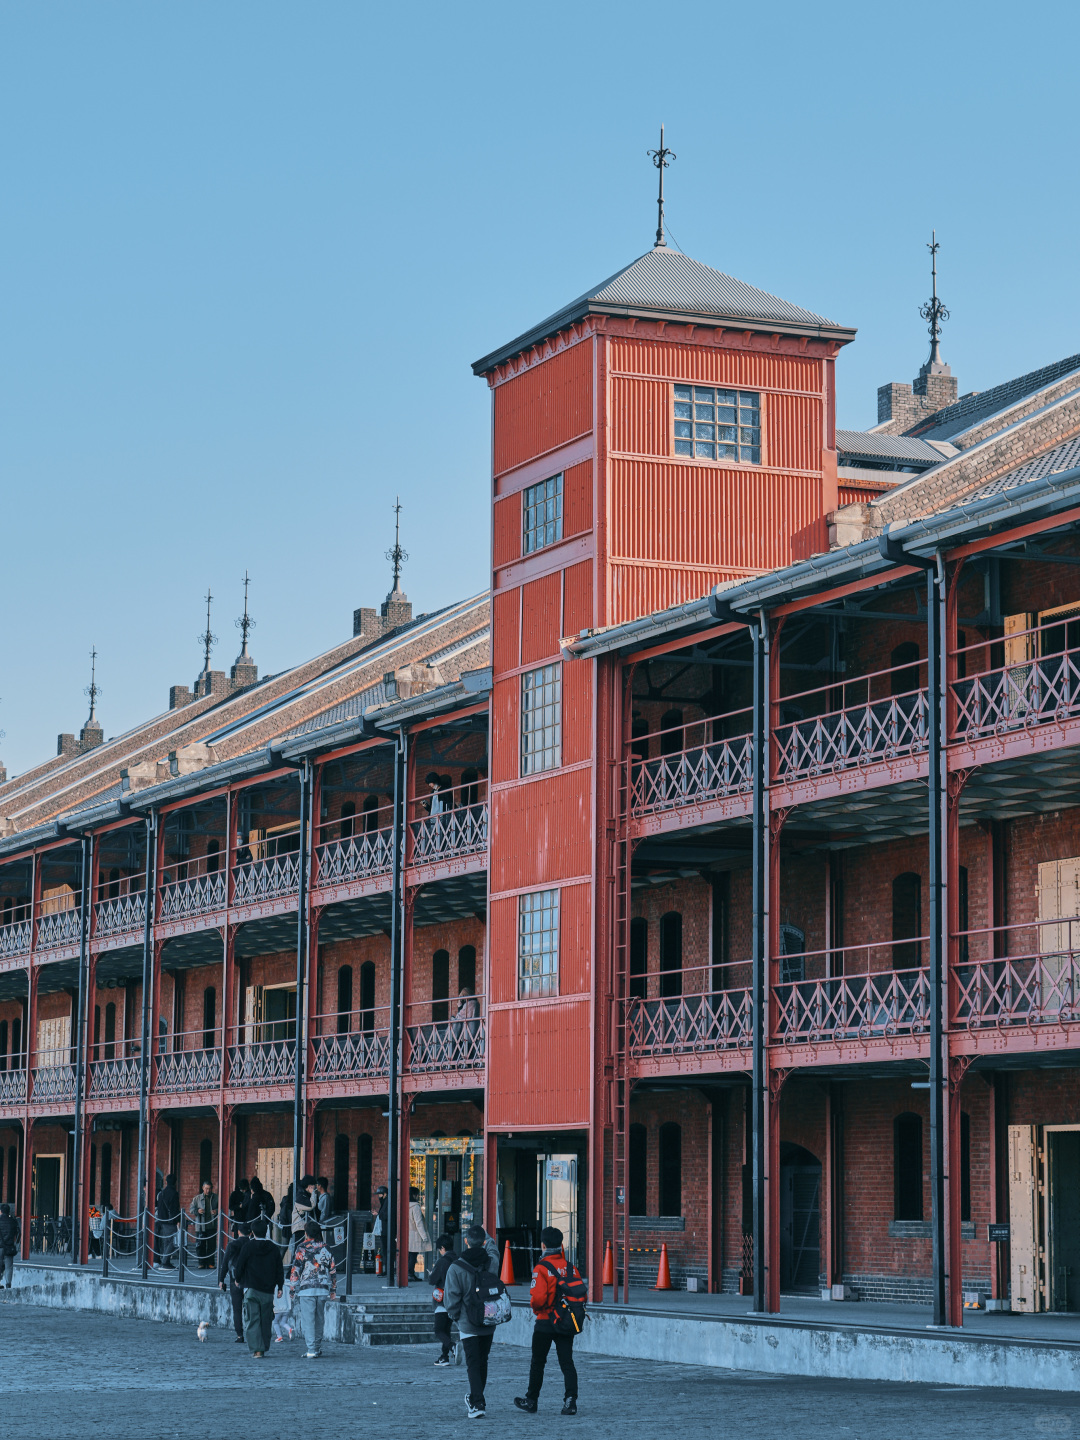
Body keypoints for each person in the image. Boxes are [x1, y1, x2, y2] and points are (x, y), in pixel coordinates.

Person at [513, 1226, 580, 1416]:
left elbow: (538, 1298)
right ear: (561, 1245)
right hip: (566, 1322)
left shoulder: (541, 1268)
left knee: (538, 1362)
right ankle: (570, 1401)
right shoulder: (570, 1267)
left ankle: (531, 1400)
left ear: (542, 1245)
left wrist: (535, 1308)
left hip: (545, 1321)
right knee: (567, 1362)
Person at [444, 1223, 500, 1419]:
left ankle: (477, 1403)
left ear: (466, 1241)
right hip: (489, 1318)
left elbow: (451, 1300)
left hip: (468, 1322)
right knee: (482, 1361)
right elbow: (493, 1249)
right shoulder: (491, 1261)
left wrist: (456, 1316)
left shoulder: (455, 1268)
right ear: (483, 1241)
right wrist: (488, 1236)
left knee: (473, 1363)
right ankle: (477, 1398)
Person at [233, 1215, 284, 1359]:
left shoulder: (248, 1247)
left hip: (251, 1288)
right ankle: (263, 1347)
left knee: (252, 1319)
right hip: (268, 1290)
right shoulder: (274, 1248)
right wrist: (280, 1286)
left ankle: (257, 1349)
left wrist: (238, 1279)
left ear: (252, 1233)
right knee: (266, 1320)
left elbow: (240, 1266)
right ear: (266, 1231)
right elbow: (279, 1269)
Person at [289, 1217, 339, 1358]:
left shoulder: (302, 1248)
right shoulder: (326, 1247)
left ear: (306, 1233)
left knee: (308, 1321)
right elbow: (333, 1270)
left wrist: (292, 1288)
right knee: (319, 1320)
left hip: (306, 1290)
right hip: (323, 1288)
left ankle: (311, 1349)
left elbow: (296, 1270)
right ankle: (316, 1348)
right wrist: (333, 1289)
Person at [428, 1233, 457, 1366]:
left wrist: (431, 1274)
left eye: (440, 1249)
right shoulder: (458, 1260)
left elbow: (433, 1279)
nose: (440, 1252)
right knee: (447, 1329)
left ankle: (452, 1347)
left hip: (442, 1299)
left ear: (443, 1248)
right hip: (455, 1300)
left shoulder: (442, 1262)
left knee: (438, 1329)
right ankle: (444, 1357)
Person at [218, 1222, 250, 1343]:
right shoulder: (251, 1244)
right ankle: (252, 1333)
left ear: (238, 1232)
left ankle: (239, 1335)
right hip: (250, 1280)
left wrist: (221, 1280)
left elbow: (225, 1263)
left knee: (237, 1309)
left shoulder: (232, 1245)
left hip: (234, 1278)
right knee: (251, 1308)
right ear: (250, 1233)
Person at [154, 1173, 180, 1268]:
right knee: (172, 1241)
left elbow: (159, 1208)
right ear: (175, 1183)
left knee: (166, 1242)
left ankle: (166, 1261)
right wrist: (177, 1219)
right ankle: (165, 1262)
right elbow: (175, 1208)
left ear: (166, 1182)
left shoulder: (161, 1193)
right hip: (170, 1221)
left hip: (162, 1221)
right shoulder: (174, 1193)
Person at [191, 1180, 218, 1268]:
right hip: (200, 1226)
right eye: (206, 1188)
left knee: (211, 1245)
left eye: (209, 1189)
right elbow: (191, 1209)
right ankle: (201, 1263)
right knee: (200, 1245)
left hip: (212, 1225)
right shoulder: (196, 1198)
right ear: (203, 1188)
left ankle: (210, 1263)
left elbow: (222, 1208)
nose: (208, 1191)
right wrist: (197, 1211)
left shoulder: (216, 1198)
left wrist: (216, 1211)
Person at [408, 1186, 431, 1281]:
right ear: (414, 1195)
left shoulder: (404, 1205)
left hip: (407, 1234)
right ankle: (410, 1274)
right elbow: (419, 1223)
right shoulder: (415, 1207)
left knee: (408, 1255)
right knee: (413, 1255)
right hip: (415, 1235)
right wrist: (424, 1236)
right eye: (417, 1194)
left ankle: (408, 1273)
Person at [0, 1202, 19, 1287]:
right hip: (9, 1247)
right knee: (9, 1267)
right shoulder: (13, 1221)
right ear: (8, 1212)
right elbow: (17, 1233)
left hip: (0, 1247)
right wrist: (15, 1243)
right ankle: (8, 1284)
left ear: (1, 1211)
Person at [372, 1184, 388, 1269]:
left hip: (386, 1230)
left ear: (384, 1194)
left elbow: (385, 1215)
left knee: (385, 1250)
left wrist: (379, 1214)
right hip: (384, 1230)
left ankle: (387, 1269)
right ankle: (386, 1269)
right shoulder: (385, 1202)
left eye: (380, 1194)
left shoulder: (387, 1202)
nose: (379, 1196)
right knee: (384, 1250)